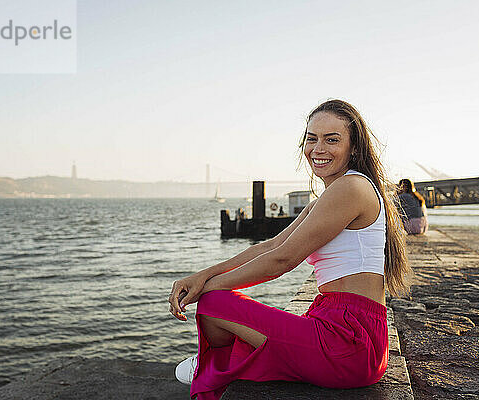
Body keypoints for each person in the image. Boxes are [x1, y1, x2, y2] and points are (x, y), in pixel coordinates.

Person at [168, 99, 412, 400]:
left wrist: (207, 290)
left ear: (355, 148)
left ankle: (220, 363)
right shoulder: (327, 199)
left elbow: (282, 260)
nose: (318, 148)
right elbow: (271, 245)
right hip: (344, 332)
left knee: (212, 304)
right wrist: (203, 276)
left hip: (349, 341)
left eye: (332, 140)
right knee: (213, 298)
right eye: (312, 138)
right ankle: (227, 362)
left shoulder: (352, 188)